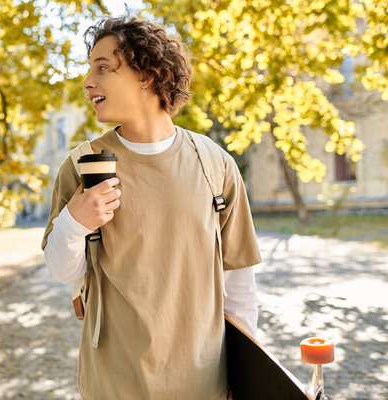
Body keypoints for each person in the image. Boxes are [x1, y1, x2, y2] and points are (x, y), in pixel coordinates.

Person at [41, 16, 261, 400]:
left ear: (147, 75)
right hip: (113, 384)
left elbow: (239, 282)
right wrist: (76, 221)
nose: (87, 82)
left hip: (203, 382)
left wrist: (243, 376)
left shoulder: (215, 164)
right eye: (89, 68)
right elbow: (63, 269)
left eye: (103, 68)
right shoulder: (83, 164)